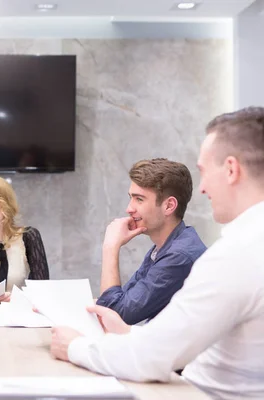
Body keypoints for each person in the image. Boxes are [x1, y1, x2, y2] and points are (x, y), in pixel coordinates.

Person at [50, 107, 264, 400]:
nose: (202, 189)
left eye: (204, 172)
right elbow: (185, 344)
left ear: (230, 169)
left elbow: (151, 359)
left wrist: (74, 346)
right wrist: (130, 333)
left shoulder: (236, 255)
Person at [96, 159, 207, 325]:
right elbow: (122, 301)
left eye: (139, 199)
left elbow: (116, 316)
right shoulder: (167, 245)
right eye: (131, 198)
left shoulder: (179, 256)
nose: (129, 208)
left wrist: (110, 247)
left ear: (169, 206)